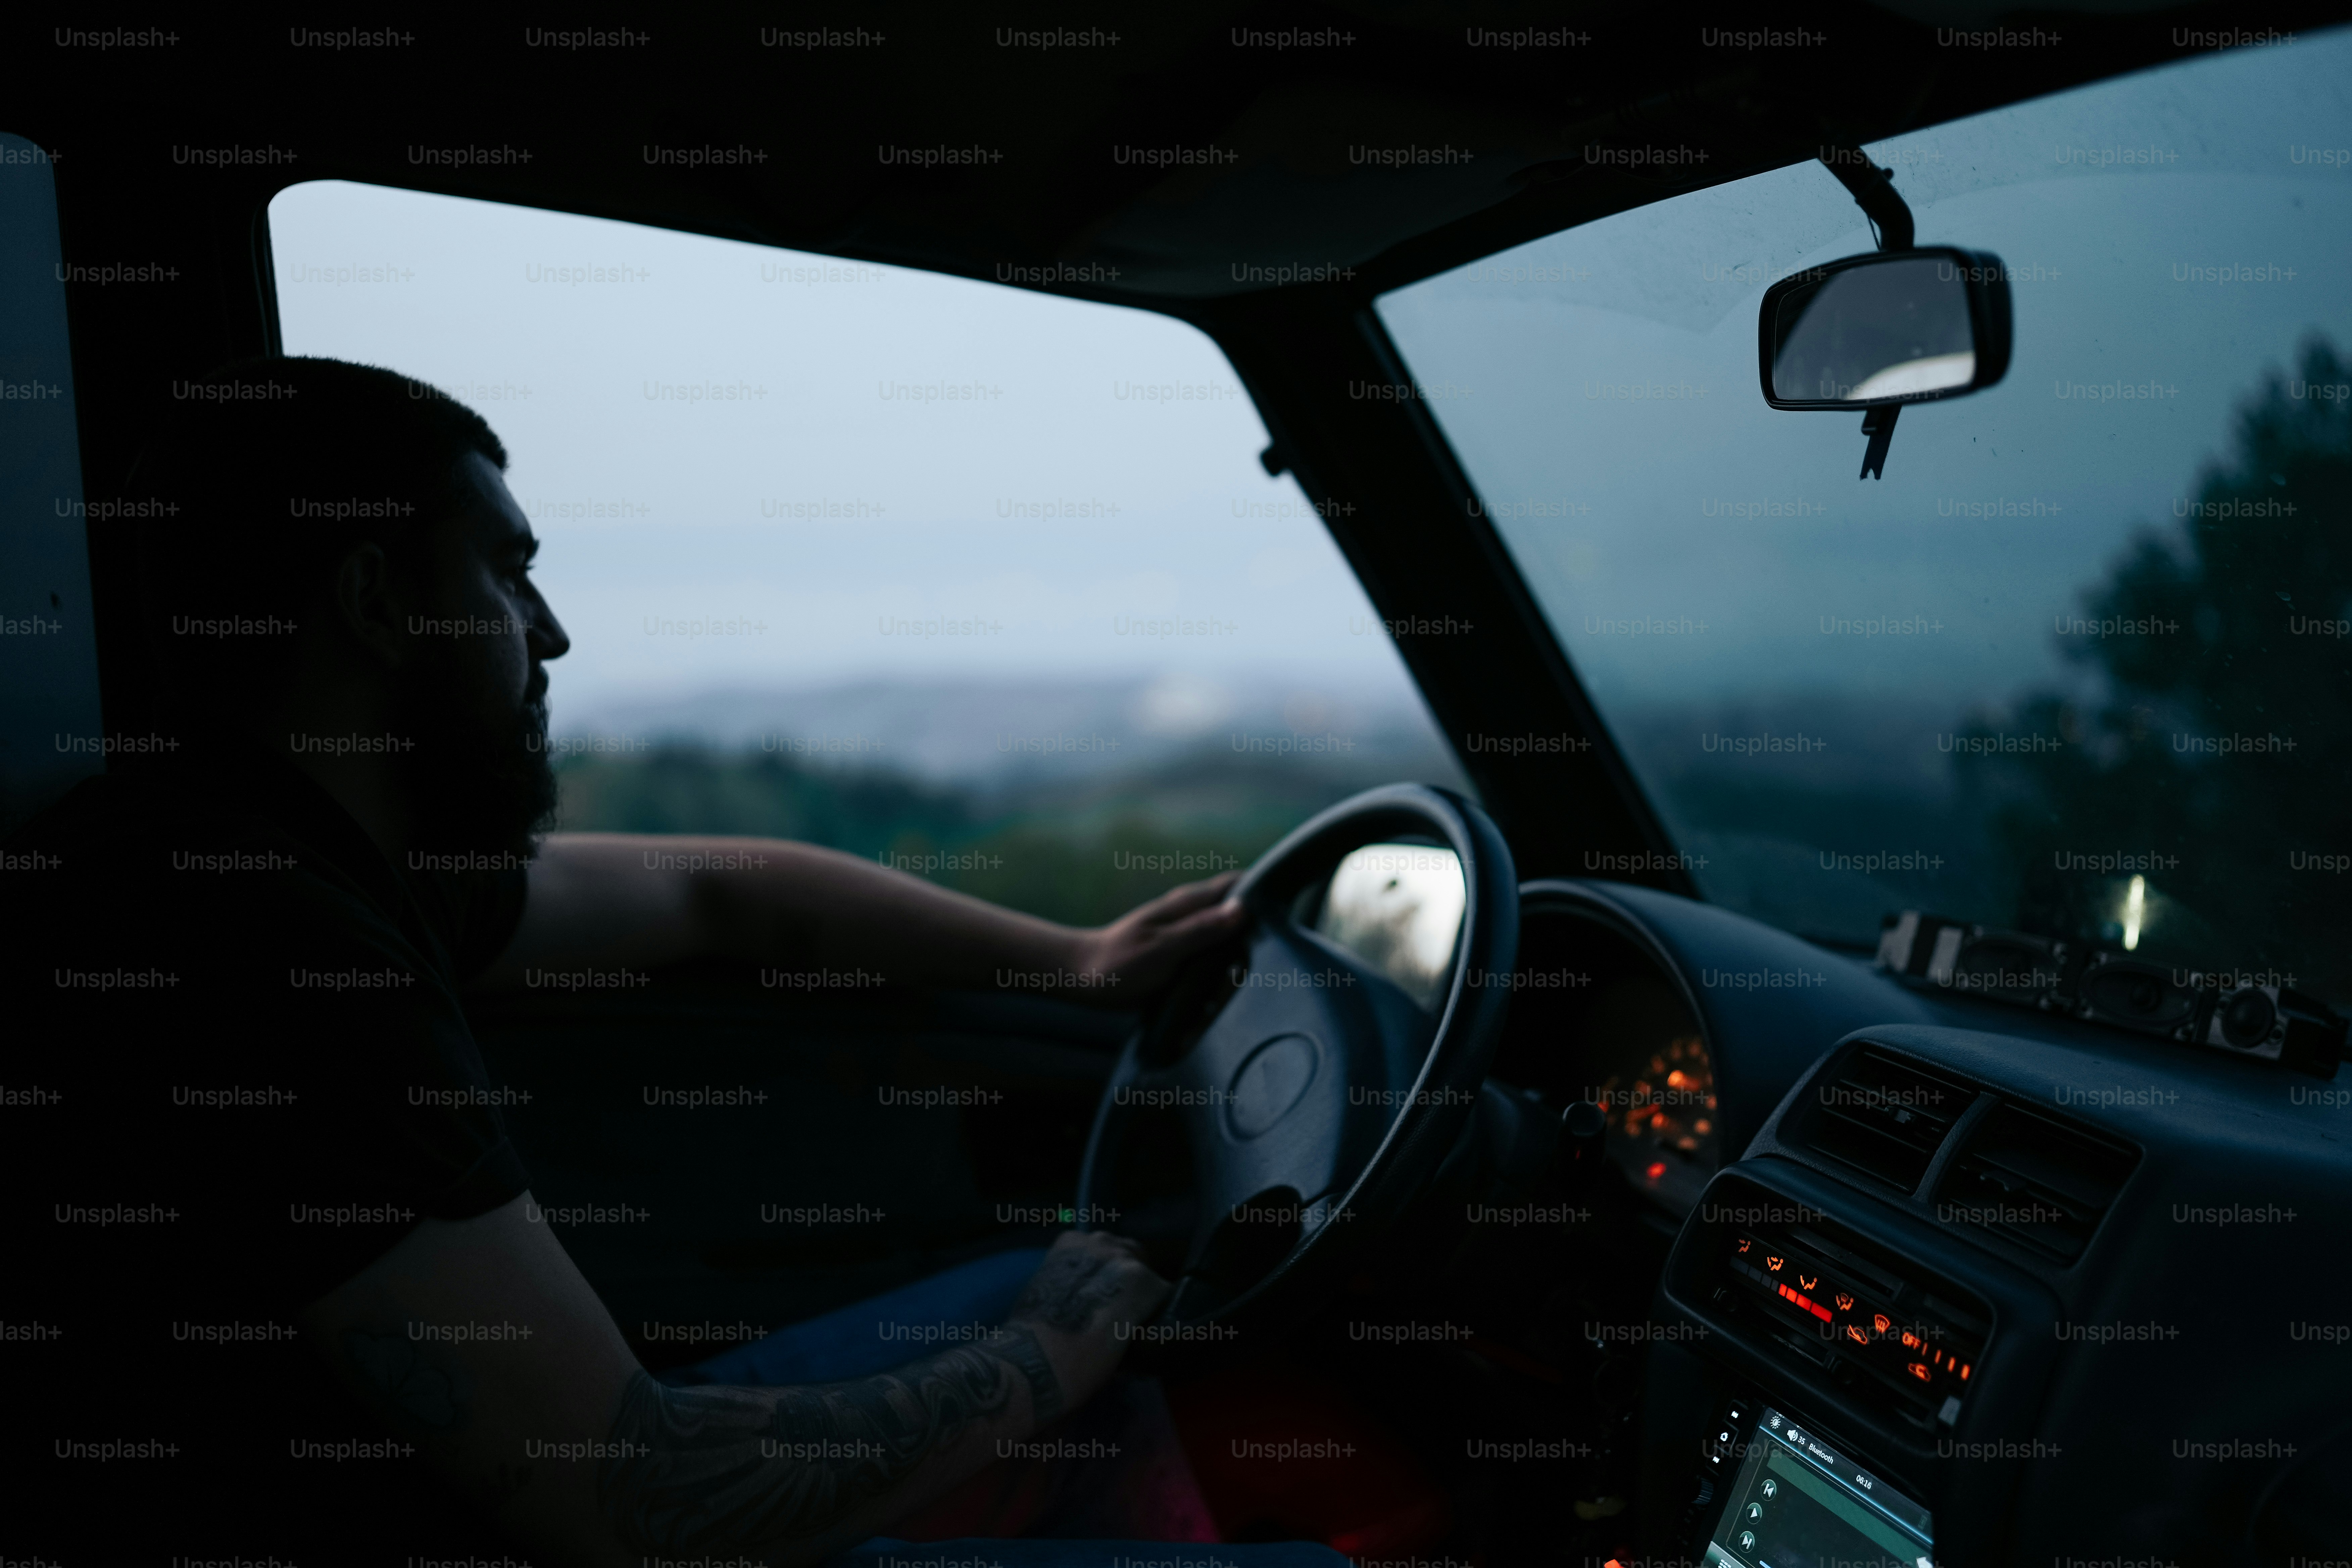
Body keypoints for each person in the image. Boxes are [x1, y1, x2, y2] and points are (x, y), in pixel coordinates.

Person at [1, 358, 1337, 1566]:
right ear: (375, 602)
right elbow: (638, 1499)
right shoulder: (261, 944)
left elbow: (719, 894)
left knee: (1074, 1322)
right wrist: (1050, 1352)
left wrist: (1085, 959)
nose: (554, 632)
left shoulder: (306, 858)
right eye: (507, 573)